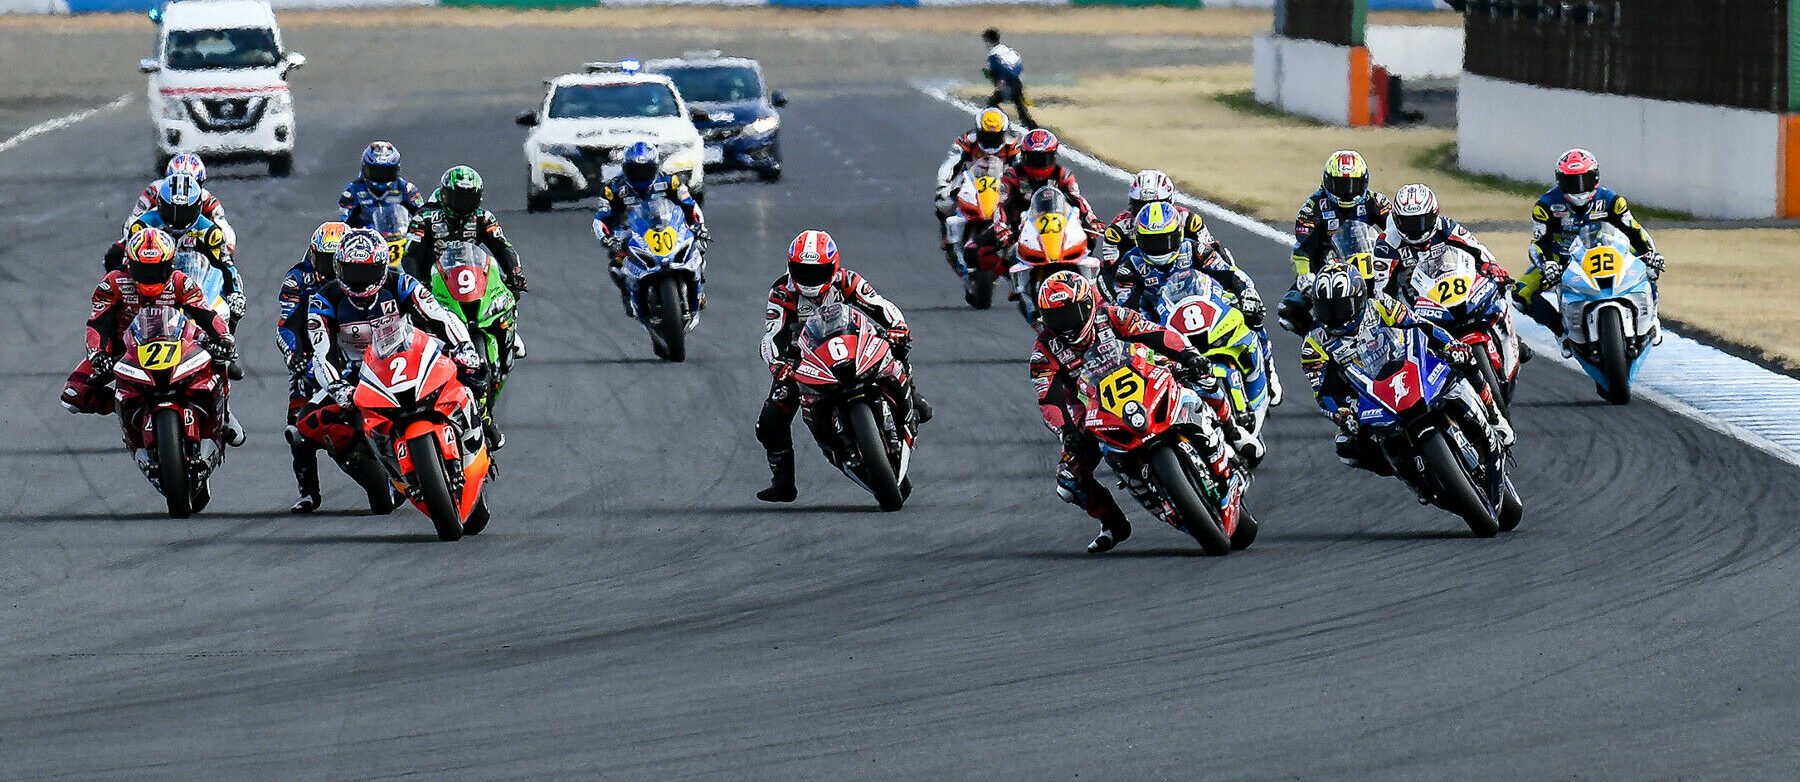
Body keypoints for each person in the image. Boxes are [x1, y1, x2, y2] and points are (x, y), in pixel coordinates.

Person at [1030, 270, 1243, 553]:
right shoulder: (1044, 351)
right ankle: (1113, 523)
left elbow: (1155, 333)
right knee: (1068, 481)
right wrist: (1067, 431)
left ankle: (1233, 433)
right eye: (1056, 317)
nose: (1065, 324)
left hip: (1145, 375)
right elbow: (1050, 398)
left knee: (1204, 376)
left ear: (1087, 305)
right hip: (1093, 409)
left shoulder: (1112, 316)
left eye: (1070, 313)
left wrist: (1187, 355)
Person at [754, 230, 930, 503]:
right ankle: (783, 482)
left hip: (854, 348)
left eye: (817, 271)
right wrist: (777, 364)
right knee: (770, 420)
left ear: (833, 266)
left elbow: (880, 306)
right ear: (790, 267)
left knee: (897, 346)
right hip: (804, 360)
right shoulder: (782, 292)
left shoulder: (847, 281)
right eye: (803, 271)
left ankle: (912, 395)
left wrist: (898, 327)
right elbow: (772, 334)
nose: (809, 279)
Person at [1299, 264, 1514, 479]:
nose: (1335, 316)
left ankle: (1494, 416)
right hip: (1367, 398)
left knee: (1463, 359)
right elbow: (1323, 393)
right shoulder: (1313, 345)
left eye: (1341, 307)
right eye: (1327, 309)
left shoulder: (1381, 306)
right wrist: (1342, 414)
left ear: (1359, 299)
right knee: (1346, 448)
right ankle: (1406, 473)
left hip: (1410, 367)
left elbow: (1420, 325)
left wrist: (1450, 345)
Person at [306, 229, 490, 446]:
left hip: (410, 354)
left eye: (367, 272)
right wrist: (337, 386)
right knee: (303, 426)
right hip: (358, 374)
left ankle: (484, 422)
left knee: (471, 369)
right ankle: (358, 465)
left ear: (383, 267)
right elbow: (322, 353)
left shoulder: (401, 283)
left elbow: (439, 316)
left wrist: (463, 346)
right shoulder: (323, 301)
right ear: (338, 269)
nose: (359, 281)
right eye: (352, 272)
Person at [61, 228, 244, 445]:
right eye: (143, 269)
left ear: (170, 264)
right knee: (73, 396)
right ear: (130, 263)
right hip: (125, 350)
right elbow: (97, 323)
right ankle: (126, 407)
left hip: (176, 342)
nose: (151, 276)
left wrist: (224, 338)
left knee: (218, 355)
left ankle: (223, 414)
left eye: (158, 269)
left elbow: (205, 313)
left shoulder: (180, 281)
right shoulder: (113, 283)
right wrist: (97, 354)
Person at [1111, 202, 1281, 406]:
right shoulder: (1129, 266)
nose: (1159, 248)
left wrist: (1245, 293)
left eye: (1164, 240)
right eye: (1151, 242)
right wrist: (1140, 328)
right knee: (1138, 356)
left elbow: (1227, 273)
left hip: (1204, 302)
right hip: (1160, 318)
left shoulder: (1194, 249)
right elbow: (1127, 307)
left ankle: (1269, 372)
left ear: (1178, 235)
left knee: (1253, 316)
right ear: (1138, 239)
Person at [1513, 148, 1664, 336]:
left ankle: (1651, 319)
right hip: (1562, 260)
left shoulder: (1612, 201)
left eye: (1585, 180)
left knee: (1649, 269)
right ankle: (1562, 333)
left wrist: (1649, 254)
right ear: (1560, 181)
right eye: (1571, 182)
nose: (1579, 188)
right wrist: (1546, 265)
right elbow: (1538, 243)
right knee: (1520, 293)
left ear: (1596, 177)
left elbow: (1635, 231)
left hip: (1605, 252)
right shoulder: (1545, 205)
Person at [107, 173, 244, 328]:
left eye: (185, 212)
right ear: (160, 204)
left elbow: (224, 264)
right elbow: (128, 264)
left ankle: (224, 347)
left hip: (193, 283)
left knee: (230, 310)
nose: (178, 219)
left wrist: (236, 294)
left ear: (198, 207)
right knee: (115, 315)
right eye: (171, 210)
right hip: (151, 285)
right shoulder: (142, 227)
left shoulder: (210, 232)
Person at [1277, 150, 1393, 333]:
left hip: (1367, 262)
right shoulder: (1312, 208)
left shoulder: (1375, 201)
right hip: (1325, 267)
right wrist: (1304, 276)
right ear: (1327, 181)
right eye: (1340, 185)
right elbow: (1302, 250)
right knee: (1289, 309)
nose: (1347, 191)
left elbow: (1396, 230)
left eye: (1352, 184)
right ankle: (1317, 340)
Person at [277, 221, 348, 513]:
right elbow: (286, 324)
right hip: (312, 358)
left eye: (335, 260)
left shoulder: (363, 275)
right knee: (296, 424)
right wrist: (294, 355)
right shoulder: (297, 279)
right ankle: (308, 492)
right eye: (323, 259)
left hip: (356, 353)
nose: (329, 267)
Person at [592, 141, 709, 315]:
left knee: (698, 246)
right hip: (629, 234)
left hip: (665, 227)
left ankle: (698, 290)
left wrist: (698, 226)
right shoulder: (613, 188)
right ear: (625, 168)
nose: (640, 175)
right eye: (635, 170)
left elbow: (689, 205)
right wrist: (607, 237)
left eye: (646, 170)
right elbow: (600, 219)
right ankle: (628, 294)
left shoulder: (671, 181)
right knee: (616, 265)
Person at [401, 166, 528, 294]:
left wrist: (514, 272)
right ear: (444, 195)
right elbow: (411, 256)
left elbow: (503, 247)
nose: (463, 205)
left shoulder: (483, 218)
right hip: (433, 285)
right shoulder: (424, 219)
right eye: (458, 199)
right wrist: (417, 285)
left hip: (473, 282)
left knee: (511, 295)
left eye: (469, 200)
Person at [995, 129, 1103, 248]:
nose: (1037, 164)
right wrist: (1001, 227)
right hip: (1019, 229)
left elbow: (1078, 199)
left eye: (1042, 159)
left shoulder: (1063, 175)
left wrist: (1092, 220)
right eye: (1033, 158)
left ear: (1052, 156)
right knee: (980, 249)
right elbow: (1000, 204)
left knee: (1090, 238)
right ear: (1023, 156)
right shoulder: (1012, 175)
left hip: (1057, 226)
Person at [132, 153, 236, 253]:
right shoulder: (155, 190)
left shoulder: (206, 198)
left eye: (190, 184)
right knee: (120, 249)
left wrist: (224, 252)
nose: (181, 189)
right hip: (155, 242)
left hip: (193, 242)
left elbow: (226, 230)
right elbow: (134, 219)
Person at [338, 141, 426, 229]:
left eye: (387, 172)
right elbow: (345, 225)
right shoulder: (351, 192)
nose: (381, 176)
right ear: (365, 168)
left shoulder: (407, 189)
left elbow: (423, 216)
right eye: (376, 172)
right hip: (367, 238)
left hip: (400, 237)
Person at [981, 28, 1036, 129]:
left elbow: (1000, 70)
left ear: (988, 41)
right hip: (1017, 81)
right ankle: (1033, 127)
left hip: (1008, 83)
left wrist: (1000, 81)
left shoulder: (993, 55)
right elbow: (1018, 63)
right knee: (1020, 107)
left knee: (992, 104)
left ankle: (1002, 123)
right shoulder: (1007, 49)